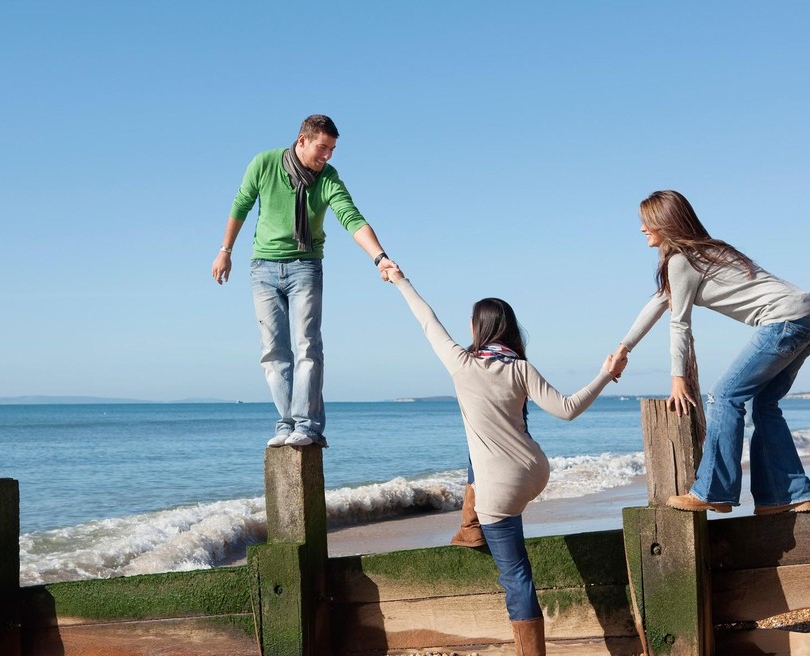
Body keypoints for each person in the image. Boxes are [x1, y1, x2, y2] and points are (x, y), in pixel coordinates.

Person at [385, 266, 626, 656]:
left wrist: (399, 279)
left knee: (516, 576)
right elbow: (567, 409)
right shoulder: (520, 367)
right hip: (536, 470)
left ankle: (475, 528)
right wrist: (605, 373)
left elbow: (426, 318)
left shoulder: (461, 363)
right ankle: (470, 525)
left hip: (499, 489)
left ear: (478, 328)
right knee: (478, 443)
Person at [612, 190, 810, 515]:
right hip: (802, 316)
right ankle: (785, 495)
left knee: (723, 396)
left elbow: (679, 323)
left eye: (647, 221)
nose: (641, 228)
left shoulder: (682, 260)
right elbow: (659, 302)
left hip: (783, 320)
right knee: (763, 403)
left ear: (665, 222)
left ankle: (714, 490)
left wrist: (677, 378)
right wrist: (624, 348)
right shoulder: (703, 253)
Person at [212, 115, 396, 448]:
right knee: (273, 352)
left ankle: (307, 425)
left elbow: (351, 218)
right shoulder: (264, 164)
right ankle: (287, 423)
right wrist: (225, 251)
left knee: (308, 346)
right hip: (263, 268)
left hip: (305, 267)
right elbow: (241, 204)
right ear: (302, 141)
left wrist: (379, 258)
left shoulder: (328, 178)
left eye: (332, 149)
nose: (328, 156)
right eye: (322, 148)